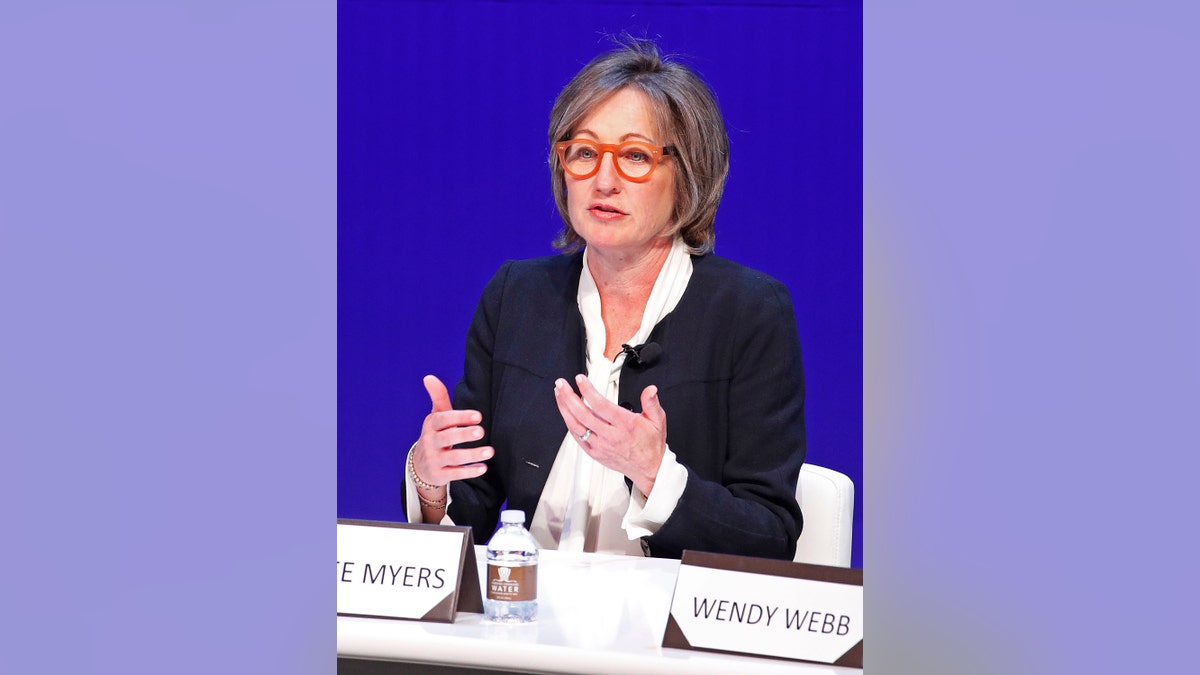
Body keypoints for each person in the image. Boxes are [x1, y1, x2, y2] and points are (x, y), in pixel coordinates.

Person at [402, 39, 806, 560]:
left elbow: (770, 535)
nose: (605, 180)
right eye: (585, 153)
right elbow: (475, 507)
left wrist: (655, 474)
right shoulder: (517, 296)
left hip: (664, 628)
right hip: (524, 614)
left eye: (635, 156)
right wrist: (433, 478)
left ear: (688, 178)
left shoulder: (748, 312)